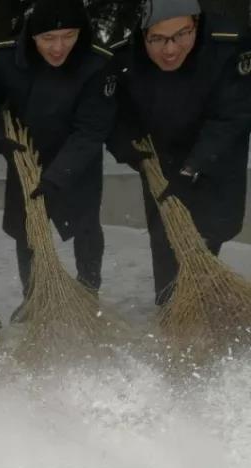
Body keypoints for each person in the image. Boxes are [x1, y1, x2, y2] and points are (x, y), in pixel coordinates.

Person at [0, 0, 116, 322]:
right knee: (28, 232)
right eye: (48, 38)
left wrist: (57, 176)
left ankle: (89, 294)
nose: (59, 47)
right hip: (24, 156)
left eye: (69, 35)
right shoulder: (6, 60)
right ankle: (34, 296)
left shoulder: (97, 64)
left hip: (77, 162)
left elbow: (91, 130)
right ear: (32, 36)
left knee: (86, 229)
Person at [107, 0, 251, 305]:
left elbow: (231, 117)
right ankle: (174, 308)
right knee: (166, 238)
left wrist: (195, 166)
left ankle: (205, 297)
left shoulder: (227, 47)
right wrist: (128, 150)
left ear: (196, 24)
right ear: (143, 33)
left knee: (213, 229)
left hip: (216, 156)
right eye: (157, 39)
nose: (170, 50)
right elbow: (111, 115)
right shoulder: (125, 57)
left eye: (181, 35)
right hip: (161, 158)